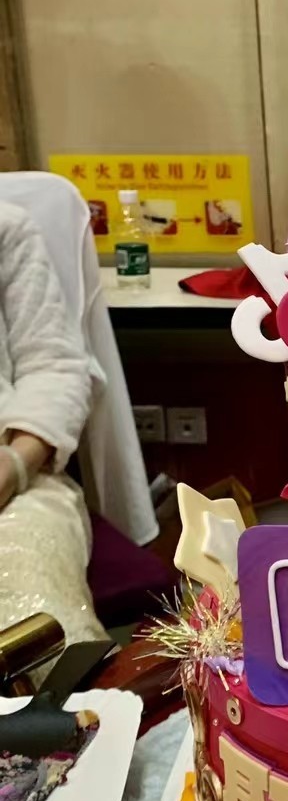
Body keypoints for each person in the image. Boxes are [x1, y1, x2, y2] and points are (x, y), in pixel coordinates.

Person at [0, 199, 108, 648]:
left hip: (17, 487)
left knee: (32, 628)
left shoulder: (7, 227)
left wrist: (13, 466)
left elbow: (54, 367)